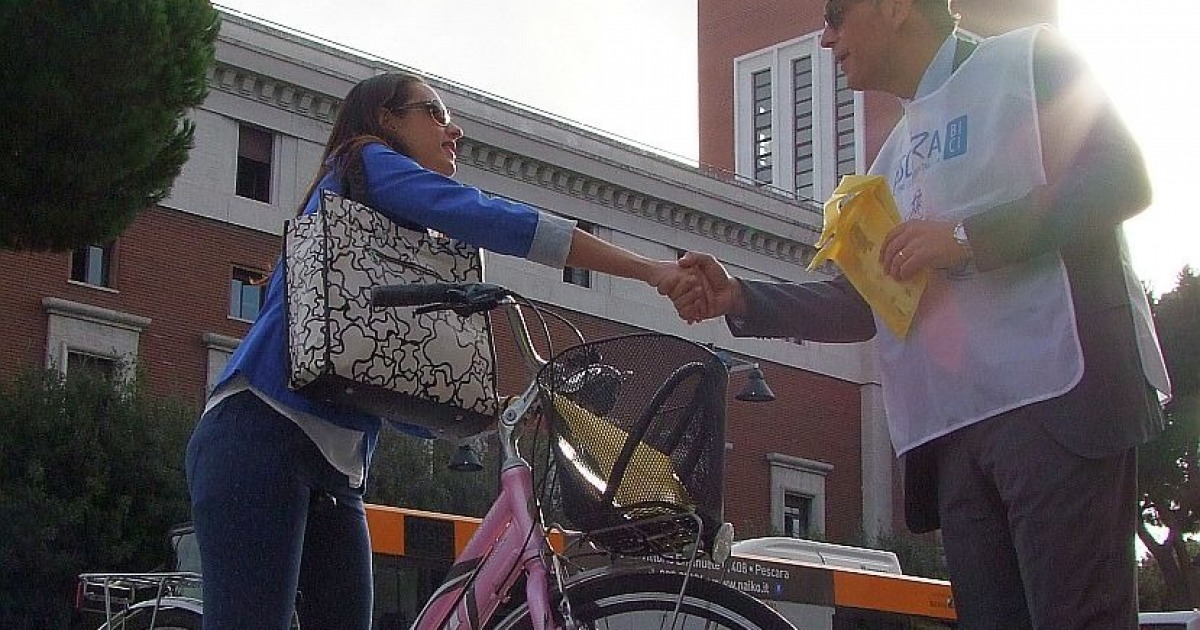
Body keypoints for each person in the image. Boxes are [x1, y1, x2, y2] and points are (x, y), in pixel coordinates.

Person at [665, 1, 1171, 628]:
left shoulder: (1031, 58)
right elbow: (861, 302)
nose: (825, 39)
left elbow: (1120, 178)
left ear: (895, 6)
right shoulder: (886, 164)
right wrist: (740, 296)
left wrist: (964, 238)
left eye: (837, 15)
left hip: (1058, 405)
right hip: (956, 440)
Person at [186, 71, 695, 630]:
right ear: (386, 120)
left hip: (337, 472)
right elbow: (486, 216)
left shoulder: (394, 251)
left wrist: (495, 410)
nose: (455, 131)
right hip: (260, 434)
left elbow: (400, 390)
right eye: (434, 114)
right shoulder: (366, 160)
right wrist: (650, 270)